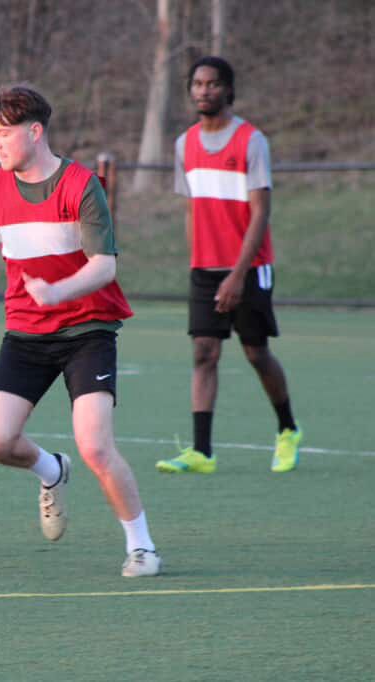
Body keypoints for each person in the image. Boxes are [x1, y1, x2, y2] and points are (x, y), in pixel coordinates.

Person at [0, 85, 161, 577]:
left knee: (96, 446)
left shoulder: (82, 185)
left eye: (1, 134)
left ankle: (142, 545)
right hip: (25, 334)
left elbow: (104, 266)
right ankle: (50, 470)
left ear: (34, 132)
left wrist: (60, 292)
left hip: (87, 330)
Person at [156, 56, 302, 475]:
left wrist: (238, 274)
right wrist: (195, 262)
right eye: (198, 84)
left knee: (256, 353)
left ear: (228, 90)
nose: (204, 91)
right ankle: (202, 452)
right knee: (204, 352)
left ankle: (288, 429)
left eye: (213, 84)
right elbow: (191, 210)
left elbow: (260, 214)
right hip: (205, 268)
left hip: (250, 267)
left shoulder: (251, 142)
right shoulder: (185, 144)